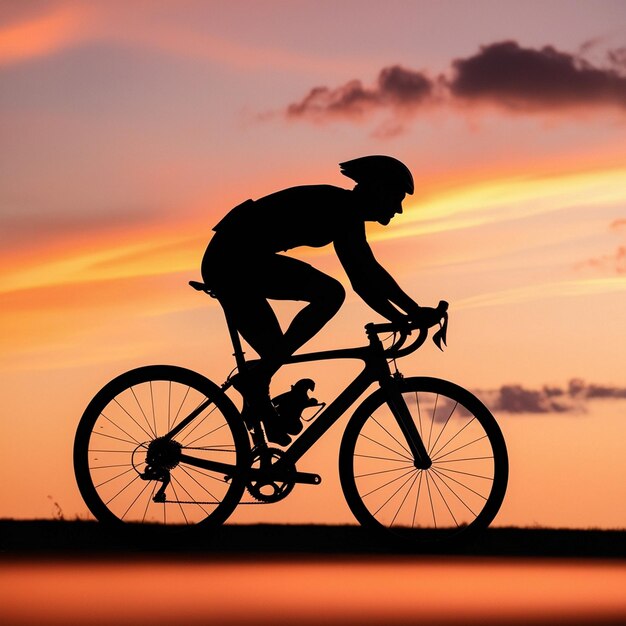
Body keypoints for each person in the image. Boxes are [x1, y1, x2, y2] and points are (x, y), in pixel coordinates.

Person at [201, 155, 429, 443]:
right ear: (377, 189)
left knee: (278, 349)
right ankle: (258, 386)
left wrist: (406, 314)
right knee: (328, 296)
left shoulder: (346, 211)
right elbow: (365, 277)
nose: (398, 209)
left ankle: (261, 401)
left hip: (239, 259)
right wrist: (410, 313)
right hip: (231, 262)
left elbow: (366, 277)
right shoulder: (341, 209)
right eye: (396, 198)